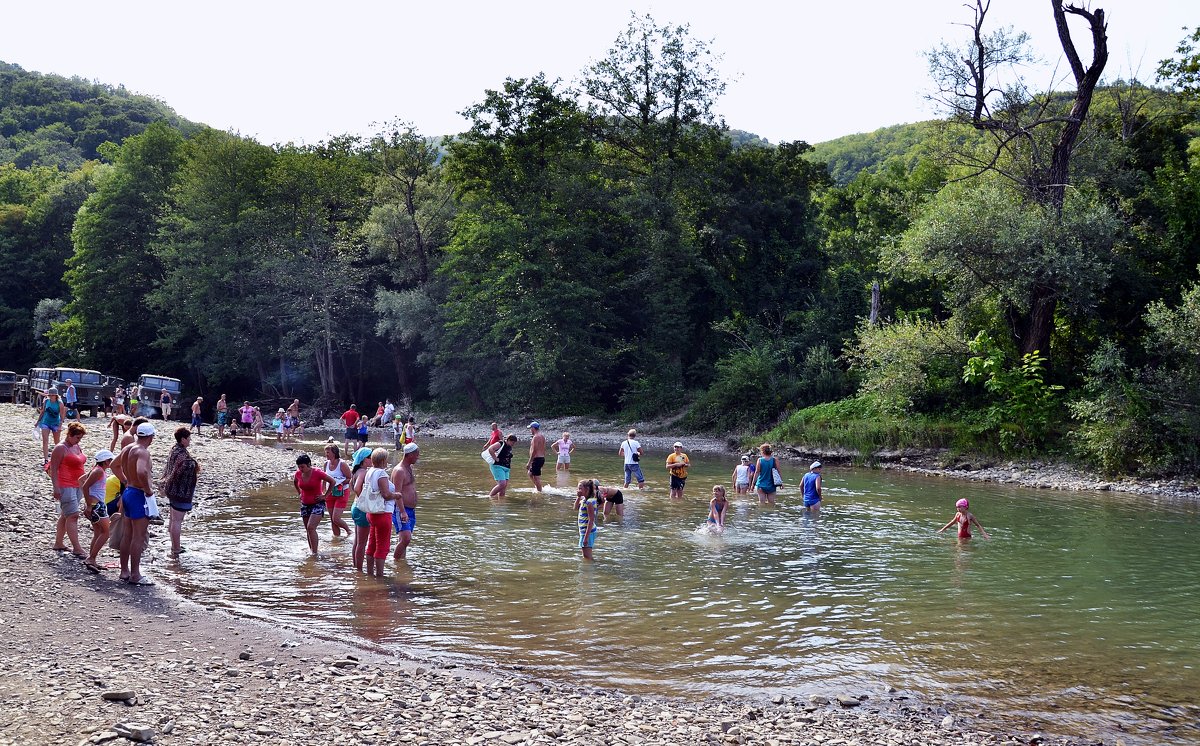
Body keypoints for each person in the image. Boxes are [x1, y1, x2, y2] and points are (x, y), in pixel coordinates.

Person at [112, 422, 157, 585]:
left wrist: (125, 480)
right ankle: (136, 575)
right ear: (151, 437)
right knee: (138, 536)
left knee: (127, 534)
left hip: (128, 492)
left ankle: (124, 571)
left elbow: (113, 465)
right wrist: (148, 490)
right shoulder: (143, 451)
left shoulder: (128, 448)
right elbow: (141, 471)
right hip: (138, 494)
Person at [48, 421, 88, 558]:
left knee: (66, 514)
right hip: (65, 485)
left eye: (80, 438)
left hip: (77, 485)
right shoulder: (60, 448)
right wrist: (56, 487)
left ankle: (58, 542)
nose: (78, 440)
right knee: (73, 515)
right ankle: (77, 548)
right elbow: (53, 469)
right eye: (77, 437)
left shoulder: (76, 446)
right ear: (70, 435)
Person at [159, 427, 200, 557]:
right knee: (177, 521)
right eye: (189, 438)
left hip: (171, 490)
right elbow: (182, 471)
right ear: (183, 439)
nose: (190, 441)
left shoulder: (174, 449)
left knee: (173, 519)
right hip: (179, 492)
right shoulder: (183, 457)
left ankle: (174, 545)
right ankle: (176, 548)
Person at [357, 448, 396, 577]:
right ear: (384, 460)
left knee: (372, 544)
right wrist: (397, 495)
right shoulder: (382, 474)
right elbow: (386, 494)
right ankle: (380, 577)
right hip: (383, 513)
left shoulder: (369, 472)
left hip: (371, 513)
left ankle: (369, 575)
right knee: (382, 546)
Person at [293, 453, 335, 556]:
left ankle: (315, 553)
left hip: (317, 503)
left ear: (308, 465)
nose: (300, 469)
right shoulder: (298, 474)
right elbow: (295, 482)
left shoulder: (317, 473)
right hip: (305, 504)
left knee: (311, 527)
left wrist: (325, 495)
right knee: (308, 529)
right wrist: (299, 493)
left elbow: (333, 482)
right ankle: (311, 550)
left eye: (302, 467)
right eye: (299, 467)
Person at [81, 449, 114, 572]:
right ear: (106, 461)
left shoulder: (96, 470)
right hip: (96, 505)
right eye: (110, 460)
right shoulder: (98, 472)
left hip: (95, 504)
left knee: (98, 532)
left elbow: (81, 480)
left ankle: (92, 559)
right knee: (106, 532)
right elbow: (85, 486)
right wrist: (89, 504)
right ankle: (91, 558)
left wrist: (88, 502)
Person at [390, 442, 420, 560]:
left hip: (410, 510)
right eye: (416, 455)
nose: (418, 457)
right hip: (401, 509)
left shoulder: (409, 468)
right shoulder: (399, 471)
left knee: (404, 540)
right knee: (406, 538)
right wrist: (402, 512)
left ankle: (401, 567)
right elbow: (397, 493)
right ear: (409, 455)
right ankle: (395, 562)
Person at [347, 446, 373, 572]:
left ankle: (355, 566)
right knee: (362, 543)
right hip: (362, 509)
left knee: (357, 541)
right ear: (363, 460)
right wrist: (365, 500)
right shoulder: (363, 472)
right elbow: (357, 489)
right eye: (370, 457)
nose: (372, 459)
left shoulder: (356, 472)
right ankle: (359, 571)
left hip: (355, 507)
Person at [322, 444, 353, 538]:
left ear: (334, 452)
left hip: (342, 492)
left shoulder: (342, 464)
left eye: (328, 452)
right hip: (329, 492)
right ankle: (336, 539)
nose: (326, 454)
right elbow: (324, 478)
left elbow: (350, 478)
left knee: (336, 518)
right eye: (326, 452)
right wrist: (323, 490)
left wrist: (340, 482)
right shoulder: (326, 464)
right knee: (332, 519)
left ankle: (349, 531)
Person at [35, 386, 64, 464]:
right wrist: (38, 421)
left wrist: (60, 425)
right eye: (50, 395)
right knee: (45, 441)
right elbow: (42, 411)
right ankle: (46, 460)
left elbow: (62, 415)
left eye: (52, 395)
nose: (51, 396)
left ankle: (57, 459)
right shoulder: (46, 401)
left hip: (55, 423)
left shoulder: (60, 403)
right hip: (45, 422)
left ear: (56, 395)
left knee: (57, 442)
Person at [575, 479, 599, 561]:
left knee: (587, 557)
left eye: (580, 489)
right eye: (578, 489)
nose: (579, 491)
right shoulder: (583, 500)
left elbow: (591, 520)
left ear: (587, 489)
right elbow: (575, 508)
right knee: (586, 556)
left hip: (587, 532)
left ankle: (590, 571)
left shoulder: (589, 502)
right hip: (583, 531)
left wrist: (586, 537)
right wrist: (578, 497)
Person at [487, 434, 517, 499]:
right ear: (508, 440)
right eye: (513, 442)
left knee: (504, 487)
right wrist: (495, 458)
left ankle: (501, 503)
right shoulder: (501, 443)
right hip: (498, 466)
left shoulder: (509, 447)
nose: (513, 444)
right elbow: (490, 449)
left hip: (506, 468)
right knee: (502, 484)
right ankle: (490, 497)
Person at [526, 421, 546, 492]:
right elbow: (543, 448)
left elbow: (534, 450)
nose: (530, 430)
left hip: (536, 459)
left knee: (536, 477)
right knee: (530, 473)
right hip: (541, 458)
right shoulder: (542, 436)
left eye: (530, 428)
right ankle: (538, 487)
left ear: (533, 428)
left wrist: (529, 462)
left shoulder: (535, 437)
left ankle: (540, 492)